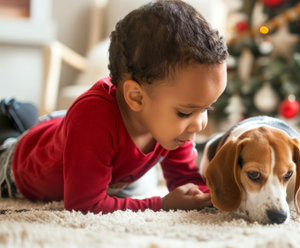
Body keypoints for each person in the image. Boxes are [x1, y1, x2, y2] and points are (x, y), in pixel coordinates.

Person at [0, 0, 228, 214]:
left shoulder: (172, 125)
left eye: (207, 108)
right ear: (136, 97)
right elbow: (83, 204)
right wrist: (162, 204)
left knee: (137, 184)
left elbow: (188, 182)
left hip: (94, 154)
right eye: (186, 112)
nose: (200, 124)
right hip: (17, 166)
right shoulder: (93, 119)